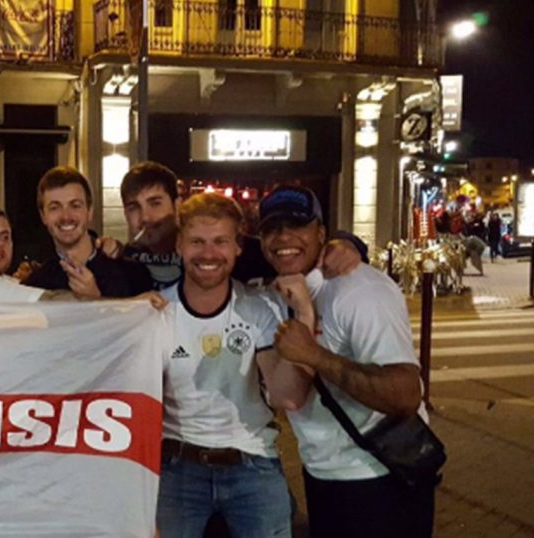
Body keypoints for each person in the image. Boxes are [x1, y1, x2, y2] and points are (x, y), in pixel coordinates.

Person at [263, 186, 434, 538]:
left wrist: (314, 355)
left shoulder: (359, 289)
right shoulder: (281, 290)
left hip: (379, 476)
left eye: (297, 224)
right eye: (272, 227)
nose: (283, 237)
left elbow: (405, 394)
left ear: (321, 233)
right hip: (322, 475)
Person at [156, 192, 314, 538]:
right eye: (197, 241)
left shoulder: (258, 309)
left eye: (220, 242)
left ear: (238, 247)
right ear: (180, 245)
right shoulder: (157, 313)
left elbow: (286, 396)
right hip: (176, 467)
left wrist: (304, 314)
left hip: (252, 461)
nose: (209, 254)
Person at [103, 161, 367, 288]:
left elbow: (293, 252)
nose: (146, 217)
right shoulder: (126, 260)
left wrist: (345, 242)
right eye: (133, 207)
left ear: (177, 203)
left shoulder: (230, 251)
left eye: (155, 203)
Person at [23, 166, 154, 298]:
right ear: (43, 216)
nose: (66, 217)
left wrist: (95, 300)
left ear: (90, 211)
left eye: (75, 205)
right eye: (55, 208)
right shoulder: (34, 287)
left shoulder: (132, 273)